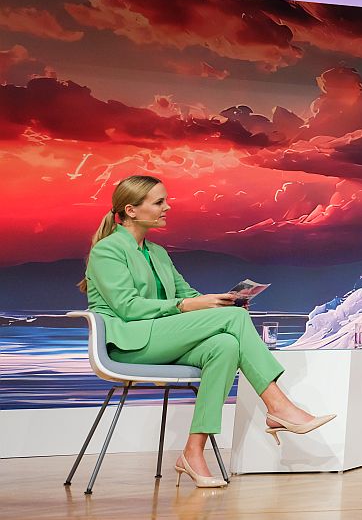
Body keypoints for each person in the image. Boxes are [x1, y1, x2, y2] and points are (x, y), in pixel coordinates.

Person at [81, 175, 333, 488]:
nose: (167, 207)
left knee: (226, 345)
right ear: (131, 210)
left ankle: (193, 451)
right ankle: (278, 407)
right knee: (234, 323)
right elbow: (128, 308)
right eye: (159, 202)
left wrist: (224, 303)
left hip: (161, 336)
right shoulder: (108, 251)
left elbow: (187, 293)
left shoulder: (157, 253)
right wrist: (192, 306)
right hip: (130, 343)